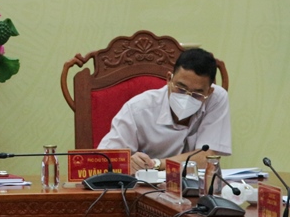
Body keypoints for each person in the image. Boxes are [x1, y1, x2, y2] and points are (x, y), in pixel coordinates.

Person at [98, 48, 231, 174]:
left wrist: (156, 164)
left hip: (196, 186)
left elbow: (207, 158)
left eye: (197, 94)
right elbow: (103, 160)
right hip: (146, 186)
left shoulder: (216, 99)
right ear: (169, 79)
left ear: (209, 91)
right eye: (181, 88)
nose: (187, 98)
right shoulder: (138, 109)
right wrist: (129, 163)